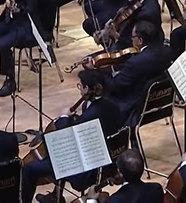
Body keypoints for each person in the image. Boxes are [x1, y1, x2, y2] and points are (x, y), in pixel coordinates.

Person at [22, 69, 121, 203]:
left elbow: (69, 135)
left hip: (87, 171)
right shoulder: (113, 106)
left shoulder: (90, 115)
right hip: (109, 162)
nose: (79, 89)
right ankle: (55, 195)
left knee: (30, 167)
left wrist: (63, 117)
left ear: (87, 88)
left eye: (80, 86)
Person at [86, 21, 172, 126]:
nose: (131, 40)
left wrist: (96, 70)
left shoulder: (135, 63)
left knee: (91, 103)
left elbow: (114, 86)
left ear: (140, 40)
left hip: (133, 107)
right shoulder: (167, 52)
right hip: (160, 105)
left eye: (133, 37)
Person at [90, 0, 162, 52]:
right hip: (124, 43)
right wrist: (105, 32)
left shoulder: (147, 12)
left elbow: (139, 43)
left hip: (138, 51)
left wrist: (115, 36)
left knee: (93, 62)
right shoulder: (135, 0)